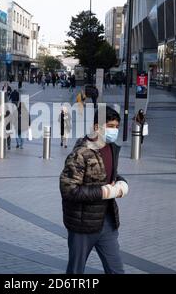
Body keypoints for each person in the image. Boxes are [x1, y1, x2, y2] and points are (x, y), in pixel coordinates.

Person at [60, 106, 128, 274]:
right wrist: (104, 192)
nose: (114, 130)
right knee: (76, 271)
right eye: (111, 126)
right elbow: (68, 189)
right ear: (97, 127)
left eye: (117, 127)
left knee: (116, 270)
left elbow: (109, 176)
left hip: (107, 221)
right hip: (83, 224)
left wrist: (121, 184)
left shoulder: (112, 148)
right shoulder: (81, 153)